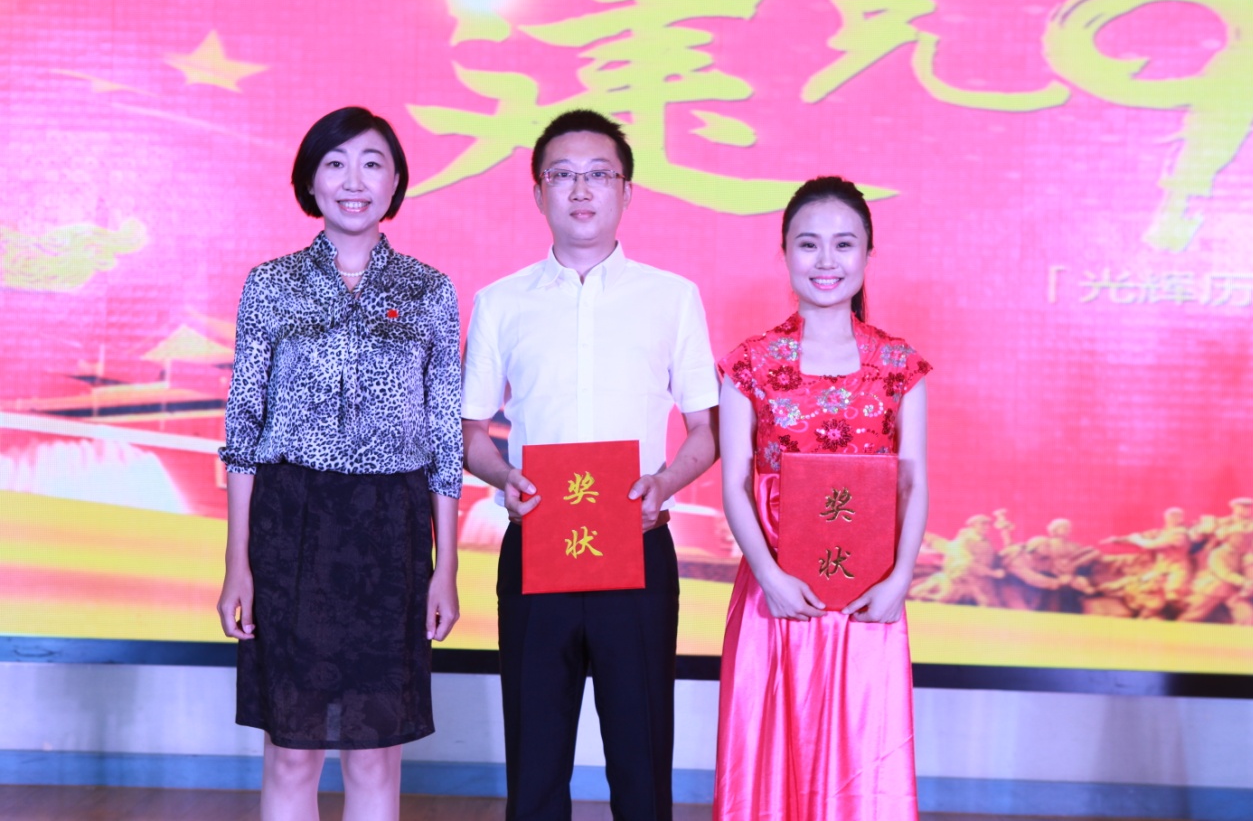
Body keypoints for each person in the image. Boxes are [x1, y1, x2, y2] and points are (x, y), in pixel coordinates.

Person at [461, 109, 719, 820]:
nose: (581, 190)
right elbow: (470, 433)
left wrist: (665, 483)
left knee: (641, 762)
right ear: (537, 191)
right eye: (563, 175)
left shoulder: (672, 298)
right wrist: (502, 476)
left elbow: (706, 430)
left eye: (599, 174)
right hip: (536, 546)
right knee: (536, 764)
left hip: (637, 548)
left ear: (626, 192)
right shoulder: (500, 302)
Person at [216, 106, 462, 821]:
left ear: (395, 183)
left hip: (391, 527)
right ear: (310, 182)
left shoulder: (429, 290)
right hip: (291, 522)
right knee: (291, 749)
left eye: (372, 163)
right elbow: (243, 429)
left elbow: (445, 439)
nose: (354, 181)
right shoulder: (271, 285)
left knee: (375, 750)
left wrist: (445, 567)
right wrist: (237, 563)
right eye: (335, 163)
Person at [713, 176, 930, 820]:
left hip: (870, 595)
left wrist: (900, 579)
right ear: (784, 251)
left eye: (844, 244)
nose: (826, 261)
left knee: (861, 760)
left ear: (868, 253)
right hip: (774, 592)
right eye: (809, 244)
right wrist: (771, 578)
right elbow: (734, 482)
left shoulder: (899, 364)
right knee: (772, 759)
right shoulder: (750, 363)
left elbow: (913, 480)